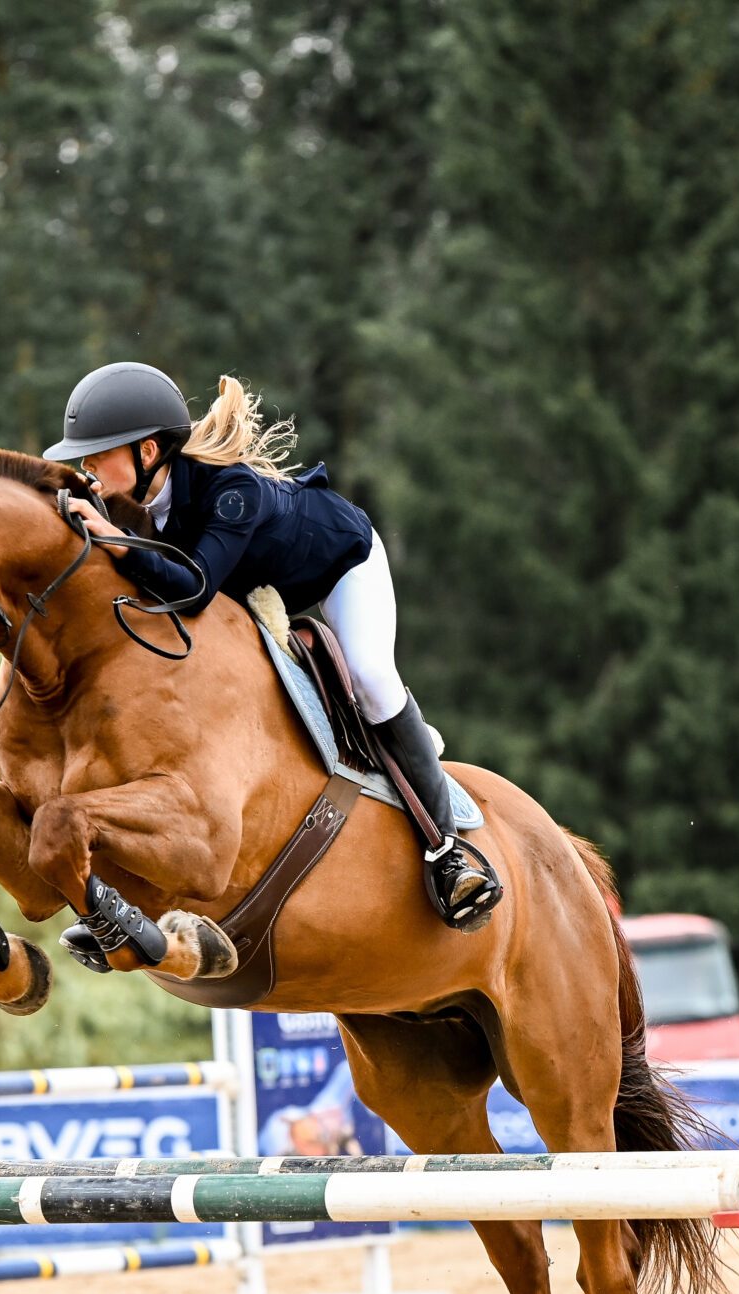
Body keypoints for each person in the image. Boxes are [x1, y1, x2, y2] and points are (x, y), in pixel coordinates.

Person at [44, 361, 501, 931]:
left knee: (371, 676)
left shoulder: (230, 491)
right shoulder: (132, 503)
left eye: (97, 452)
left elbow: (194, 590)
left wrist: (111, 538)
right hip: (259, 590)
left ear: (148, 451)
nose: (85, 466)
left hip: (340, 567)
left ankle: (448, 852)